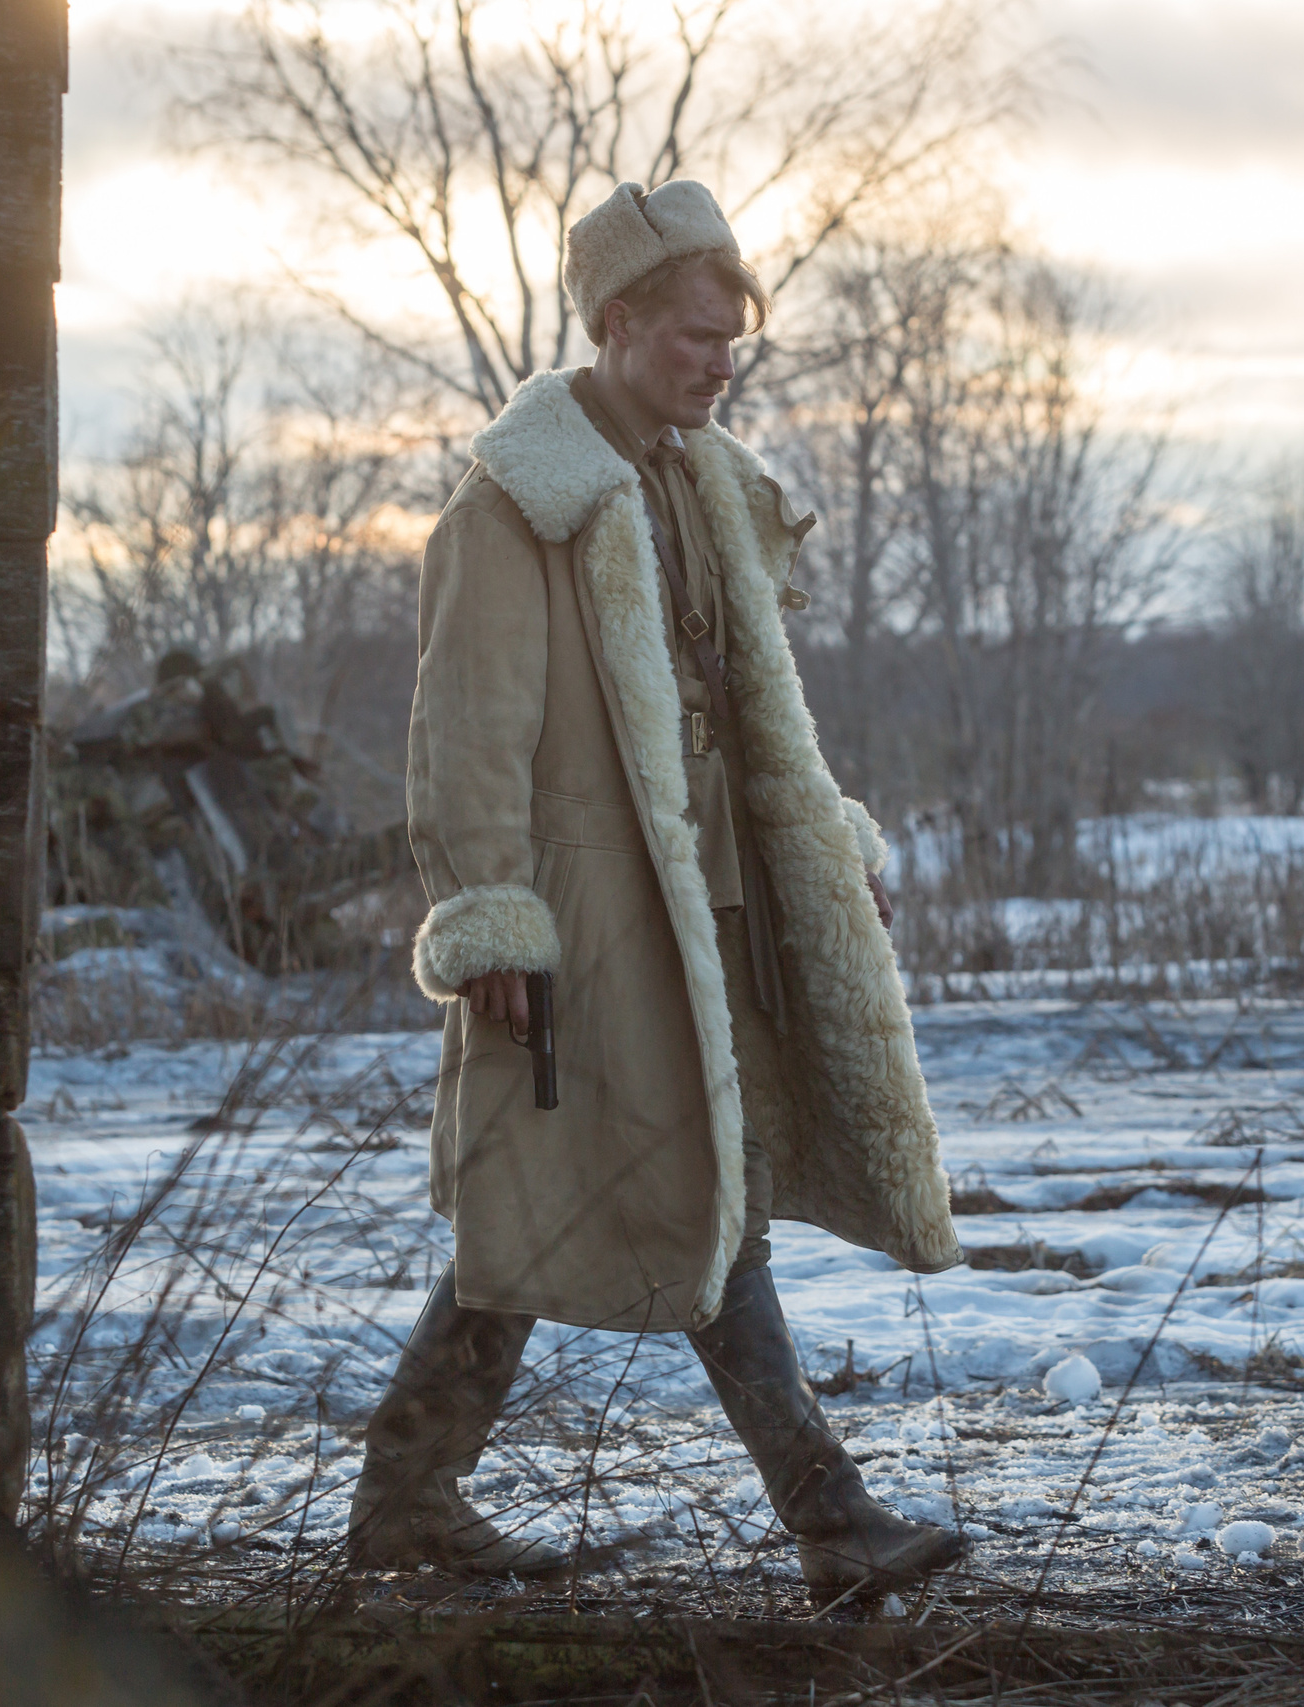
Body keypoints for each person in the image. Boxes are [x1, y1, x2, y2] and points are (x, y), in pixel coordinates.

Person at [348, 180, 966, 1599]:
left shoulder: (706, 486)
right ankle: (829, 1520)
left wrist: (822, 854)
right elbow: (464, 736)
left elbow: (757, 718)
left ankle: (408, 1500)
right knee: (633, 1195)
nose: (722, 362)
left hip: (720, 907)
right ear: (617, 324)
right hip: (591, 923)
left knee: (611, 1195)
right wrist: (493, 917)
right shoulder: (516, 506)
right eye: (697, 335)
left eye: (733, 339)